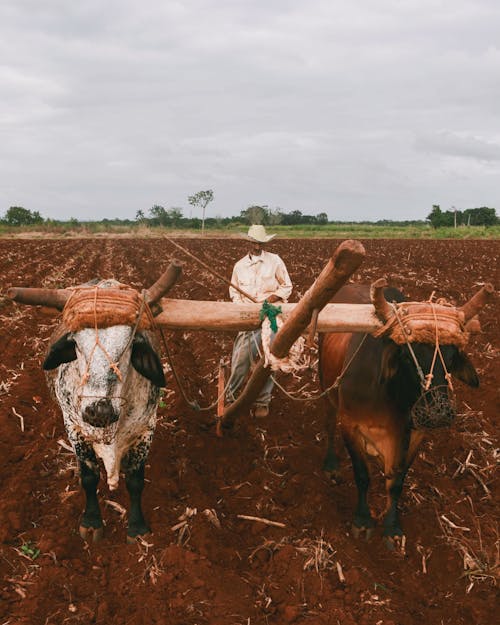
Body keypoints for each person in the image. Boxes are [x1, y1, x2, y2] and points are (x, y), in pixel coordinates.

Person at [227, 224, 293, 417]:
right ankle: (230, 396)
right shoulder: (239, 266)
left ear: (265, 243)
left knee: (270, 358)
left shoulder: (275, 261)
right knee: (241, 359)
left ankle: (263, 400)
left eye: (260, 243)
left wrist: (271, 299)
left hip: (271, 316)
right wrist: (244, 310)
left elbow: (286, 286)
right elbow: (234, 292)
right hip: (248, 318)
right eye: (253, 242)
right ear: (248, 242)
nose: (256, 247)